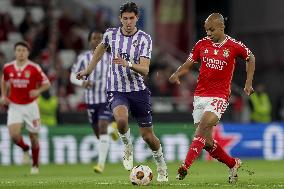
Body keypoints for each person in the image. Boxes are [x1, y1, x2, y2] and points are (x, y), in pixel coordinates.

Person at [76, 2, 168, 182]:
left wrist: (128, 64)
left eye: (131, 18)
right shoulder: (111, 34)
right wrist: (88, 70)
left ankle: (161, 165)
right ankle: (127, 146)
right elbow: (101, 48)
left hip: (138, 91)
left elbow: (145, 69)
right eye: (125, 18)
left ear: (137, 19)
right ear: (120, 19)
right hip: (117, 89)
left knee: (149, 137)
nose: (128, 22)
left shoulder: (144, 39)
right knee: (121, 119)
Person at [169, 13, 255, 183]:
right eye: (206, 30)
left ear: (222, 27)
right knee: (207, 143)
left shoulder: (233, 45)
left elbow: (250, 57)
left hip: (220, 96)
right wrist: (177, 73)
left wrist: (248, 83)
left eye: (212, 29)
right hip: (200, 96)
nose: (208, 33)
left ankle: (185, 166)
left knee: (202, 126)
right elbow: (188, 63)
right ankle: (232, 164)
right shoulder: (201, 44)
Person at [70, 29, 119, 173]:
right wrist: (82, 83)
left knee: (102, 127)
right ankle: (112, 130)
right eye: (94, 38)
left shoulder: (111, 57)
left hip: (106, 99)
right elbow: (72, 77)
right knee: (99, 134)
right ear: (89, 41)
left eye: (100, 38)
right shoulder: (83, 58)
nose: (97, 41)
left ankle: (100, 165)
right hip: (91, 101)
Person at [0, 41, 51, 174]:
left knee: (33, 137)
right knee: (14, 134)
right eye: (18, 50)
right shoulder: (8, 67)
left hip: (31, 106)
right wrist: (4, 96)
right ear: (14, 52)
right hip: (15, 105)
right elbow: (4, 81)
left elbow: (47, 83)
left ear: (28, 52)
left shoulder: (34, 68)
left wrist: (37, 91)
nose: (21, 53)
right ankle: (25, 149)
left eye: (23, 50)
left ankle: (35, 165)